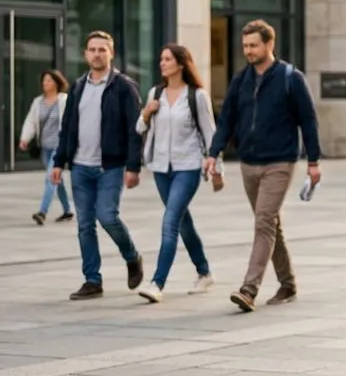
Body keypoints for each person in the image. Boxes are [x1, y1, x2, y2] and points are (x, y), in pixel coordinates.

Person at [205, 20, 321, 312]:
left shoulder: (290, 78)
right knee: (270, 224)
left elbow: (308, 120)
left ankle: (249, 288)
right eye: (245, 45)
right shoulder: (241, 80)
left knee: (263, 221)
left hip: (280, 161)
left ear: (270, 44)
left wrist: (314, 161)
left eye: (253, 45)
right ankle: (288, 283)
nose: (248, 50)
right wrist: (213, 153)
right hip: (248, 162)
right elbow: (227, 119)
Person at [51, 31, 145, 300]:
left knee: (107, 216)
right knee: (84, 225)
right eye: (92, 49)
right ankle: (92, 280)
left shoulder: (125, 87)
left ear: (111, 53)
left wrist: (133, 167)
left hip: (110, 166)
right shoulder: (78, 87)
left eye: (102, 49)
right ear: (85, 54)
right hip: (80, 166)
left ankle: (131, 256)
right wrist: (58, 161)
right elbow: (67, 127)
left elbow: (134, 129)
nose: (96, 54)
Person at [134, 44, 219, 303]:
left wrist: (217, 170)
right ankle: (204, 272)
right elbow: (139, 128)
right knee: (183, 222)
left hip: (188, 167)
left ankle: (157, 283)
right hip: (161, 167)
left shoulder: (197, 96)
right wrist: (147, 112)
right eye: (161, 58)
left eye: (168, 59)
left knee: (170, 222)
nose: (162, 63)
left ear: (181, 64)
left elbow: (210, 134)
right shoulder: (155, 93)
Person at [18, 69, 74, 225]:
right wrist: (25, 138)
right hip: (45, 147)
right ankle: (67, 210)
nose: (45, 83)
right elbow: (30, 121)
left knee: (50, 177)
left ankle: (42, 212)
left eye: (49, 80)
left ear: (57, 83)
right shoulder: (38, 102)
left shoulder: (64, 100)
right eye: (44, 81)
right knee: (57, 178)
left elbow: (70, 123)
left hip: (59, 147)